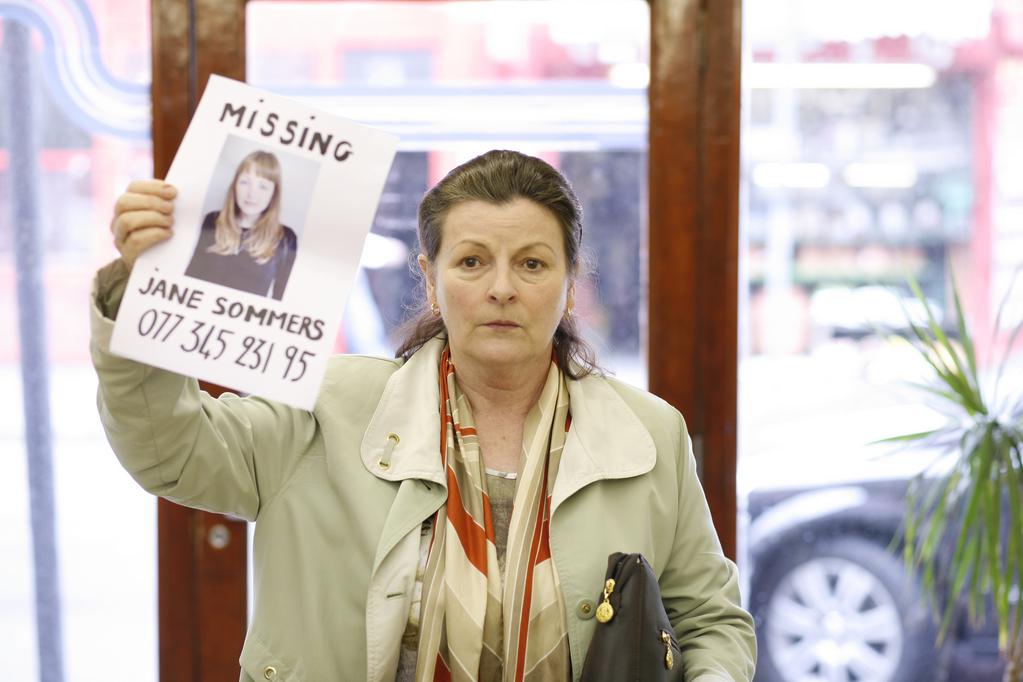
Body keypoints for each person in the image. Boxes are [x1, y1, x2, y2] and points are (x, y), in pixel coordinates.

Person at [95, 150, 757, 682]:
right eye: (471, 262)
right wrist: (138, 290)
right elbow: (171, 450)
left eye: (532, 264)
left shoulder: (649, 433)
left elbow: (710, 620)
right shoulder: (325, 407)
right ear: (431, 279)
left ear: (569, 282)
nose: (501, 288)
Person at [184, 149, 297, 300]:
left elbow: (281, 299)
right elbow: (191, 275)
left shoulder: (286, 238)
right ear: (235, 185)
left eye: (263, 186)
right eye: (245, 182)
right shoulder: (213, 220)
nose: (251, 194)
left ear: (273, 193)